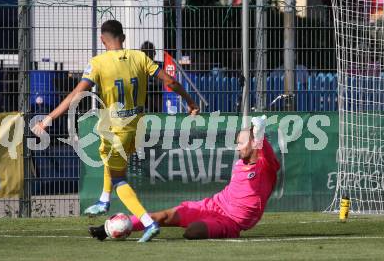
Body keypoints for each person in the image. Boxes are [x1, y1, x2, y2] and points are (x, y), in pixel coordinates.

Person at [32, 20, 199, 242]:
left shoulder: (98, 63)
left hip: (117, 128)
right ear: (123, 37)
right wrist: (190, 102)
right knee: (105, 153)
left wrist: (48, 119)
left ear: (102, 40)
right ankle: (104, 199)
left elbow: (75, 95)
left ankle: (148, 223)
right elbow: (171, 81)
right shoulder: (140, 57)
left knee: (119, 178)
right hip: (136, 125)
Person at [89, 116, 280, 240]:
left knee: (192, 232)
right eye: (237, 143)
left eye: (241, 143)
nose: (237, 147)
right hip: (212, 206)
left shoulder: (266, 167)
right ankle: (106, 230)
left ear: (255, 143)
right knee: (160, 216)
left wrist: (259, 131)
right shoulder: (241, 162)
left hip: (230, 223)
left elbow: (263, 149)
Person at [140, 41, 163, 113]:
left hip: (157, 96)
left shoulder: (159, 65)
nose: (155, 54)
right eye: (153, 51)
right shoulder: (139, 66)